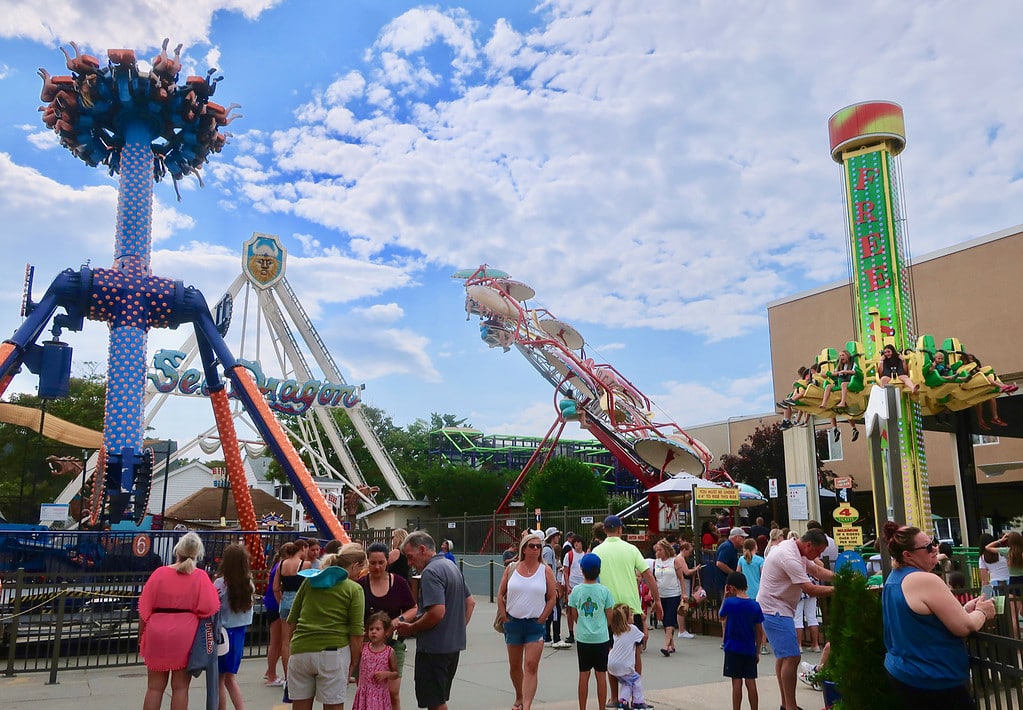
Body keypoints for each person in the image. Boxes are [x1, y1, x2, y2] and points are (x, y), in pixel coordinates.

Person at [882, 521, 995, 709]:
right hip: (932, 677)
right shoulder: (924, 579)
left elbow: (920, 619)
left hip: (906, 673)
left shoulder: (894, 578)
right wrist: (983, 611)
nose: (935, 548)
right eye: (927, 547)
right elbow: (965, 627)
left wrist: (963, 610)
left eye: (933, 542)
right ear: (908, 555)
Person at [138, 532, 221, 710]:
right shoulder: (200, 577)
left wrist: (141, 636)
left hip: (156, 630)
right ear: (197, 553)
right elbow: (211, 607)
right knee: (181, 688)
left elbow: (143, 609)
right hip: (186, 633)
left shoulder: (159, 573)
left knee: (154, 688)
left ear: (177, 550)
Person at [394, 531, 475, 710]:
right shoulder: (450, 566)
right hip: (452, 646)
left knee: (435, 702)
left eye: (410, 557)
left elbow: (437, 612)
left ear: (422, 549)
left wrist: (411, 628)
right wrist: (458, 627)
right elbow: (470, 602)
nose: (409, 563)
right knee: (438, 699)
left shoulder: (431, 572)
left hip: (433, 649)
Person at [757, 529, 835, 710]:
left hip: (776, 608)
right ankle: (791, 706)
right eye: (818, 551)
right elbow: (810, 589)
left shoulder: (795, 549)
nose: (820, 555)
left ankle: (786, 704)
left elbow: (815, 570)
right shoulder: (788, 556)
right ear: (809, 545)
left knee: (784, 657)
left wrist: (839, 578)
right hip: (775, 609)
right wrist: (839, 588)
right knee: (792, 657)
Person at [287, 544, 367, 710]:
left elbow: (292, 619)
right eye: (361, 570)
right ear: (354, 566)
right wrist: (353, 661)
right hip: (333, 651)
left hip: (301, 650)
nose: (360, 575)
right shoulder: (354, 589)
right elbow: (356, 632)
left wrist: (292, 645)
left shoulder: (310, 582)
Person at [593, 515, 661, 702]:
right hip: (631, 608)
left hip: (609, 609)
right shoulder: (631, 550)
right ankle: (634, 695)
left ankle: (615, 697)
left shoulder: (597, 551)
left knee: (612, 653)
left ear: (605, 530)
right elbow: (647, 575)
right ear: (620, 529)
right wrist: (657, 600)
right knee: (635, 653)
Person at [496, 531, 558, 710]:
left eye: (539, 546)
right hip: (513, 622)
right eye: (532, 546)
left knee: (531, 665)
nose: (536, 549)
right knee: (515, 666)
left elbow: (552, 597)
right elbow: (500, 594)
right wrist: (504, 615)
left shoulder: (544, 570)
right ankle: (519, 696)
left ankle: (527, 705)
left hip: (534, 625)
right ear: (524, 549)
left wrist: (543, 618)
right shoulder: (512, 568)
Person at [359, 543, 418, 710]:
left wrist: (397, 620)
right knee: (367, 691)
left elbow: (413, 608)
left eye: (381, 563)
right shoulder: (360, 585)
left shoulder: (398, 582)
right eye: (373, 563)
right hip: (366, 647)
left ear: (387, 562)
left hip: (392, 645)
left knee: (392, 692)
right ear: (367, 562)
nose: (377, 567)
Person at [567, 553, 615, 710]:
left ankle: (583, 707)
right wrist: (602, 626)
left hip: (583, 638)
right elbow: (609, 616)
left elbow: (573, 613)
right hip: (601, 638)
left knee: (583, 674)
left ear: (582, 570)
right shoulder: (604, 591)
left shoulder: (576, 591)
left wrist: (581, 624)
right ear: (599, 571)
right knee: (601, 675)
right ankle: (602, 707)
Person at [215, 543, 254, 710]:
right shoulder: (249, 583)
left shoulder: (220, 583)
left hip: (223, 632)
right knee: (231, 678)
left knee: (219, 680)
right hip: (239, 631)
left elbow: (212, 606)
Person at [719, 572, 764, 710]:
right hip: (749, 648)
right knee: (750, 681)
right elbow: (759, 630)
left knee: (736, 682)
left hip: (732, 647)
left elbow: (721, 617)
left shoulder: (729, 603)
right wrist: (757, 650)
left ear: (731, 588)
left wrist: (725, 597)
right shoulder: (755, 605)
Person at [275, 540, 311, 683]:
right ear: (301, 549)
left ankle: (287, 675)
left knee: (285, 641)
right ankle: (301, 674)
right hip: (300, 601)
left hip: (286, 601)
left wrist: (281, 601)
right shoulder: (305, 565)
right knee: (301, 637)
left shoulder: (281, 565)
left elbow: (275, 587)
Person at [352, 612, 399, 710]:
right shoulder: (363, 648)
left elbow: (395, 674)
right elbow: (354, 643)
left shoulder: (389, 652)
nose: (373, 631)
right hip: (364, 693)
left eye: (378, 629)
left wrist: (386, 674)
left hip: (379, 695)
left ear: (386, 631)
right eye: (371, 629)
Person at [607, 604, 647, 710]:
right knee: (635, 680)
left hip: (611, 665)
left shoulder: (616, 631)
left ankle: (623, 702)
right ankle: (638, 702)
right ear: (625, 619)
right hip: (623, 665)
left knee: (627, 682)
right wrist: (643, 622)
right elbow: (644, 637)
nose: (633, 617)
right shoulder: (632, 629)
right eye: (631, 615)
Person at [650, 539, 684, 656]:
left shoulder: (674, 561)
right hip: (660, 595)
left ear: (666, 549)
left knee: (670, 618)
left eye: (660, 550)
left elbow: (681, 578)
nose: (658, 552)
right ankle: (671, 644)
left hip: (673, 594)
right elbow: (654, 579)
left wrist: (683, 594)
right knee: (664, 619)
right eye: (657, 550)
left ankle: (666, 645)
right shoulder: (656, 562)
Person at [541, 527, 569, 648]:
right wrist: (554, 587)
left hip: (549, 586)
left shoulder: (549, 550)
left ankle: (548, 637)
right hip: (550, 586)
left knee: (551, 612)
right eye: (557, 535)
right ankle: (555, 637)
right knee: (555, 611)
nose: (559, 537)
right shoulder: (548, 551)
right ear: (552, 536)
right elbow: (548, 569)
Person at [263, 544, 286, 687]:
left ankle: (270, 671)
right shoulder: (281, 567)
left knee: (277, 642)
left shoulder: (278, 565)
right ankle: (271, 674)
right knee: (277, 642)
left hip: (272, 604)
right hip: (275, 606)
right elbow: (277, 588)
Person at [675, 541, 703, 640]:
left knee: (683, 606)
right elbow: (686, 572)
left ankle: (682, 629)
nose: (690, 554)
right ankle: (682, 630)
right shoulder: (680, 558)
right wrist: (696, 569)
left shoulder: (679, 558)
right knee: (683, 606)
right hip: (682, 584)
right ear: (684, 550)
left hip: (680, 583)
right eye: (689, 551)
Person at [563, 534, 586, 643]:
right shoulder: (569, 555)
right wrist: (567, 586)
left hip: (583, 586)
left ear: (582, 543)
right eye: (574, 542)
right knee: (570, 611)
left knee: (584, 610)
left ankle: (583, 631)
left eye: (578, 542)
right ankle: (571, 633)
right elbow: (566, 571)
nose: (576, 544)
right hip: (572, 586)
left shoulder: (585, 555)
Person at [715, 528, 748, 600]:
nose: (744, 539)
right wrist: (733, 574)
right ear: (735, 537)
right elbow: (720, 563)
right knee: (728, 605)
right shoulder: (728, 547)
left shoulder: (731, 547)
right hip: (725, 583)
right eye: (742, 537)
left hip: (728, 584)